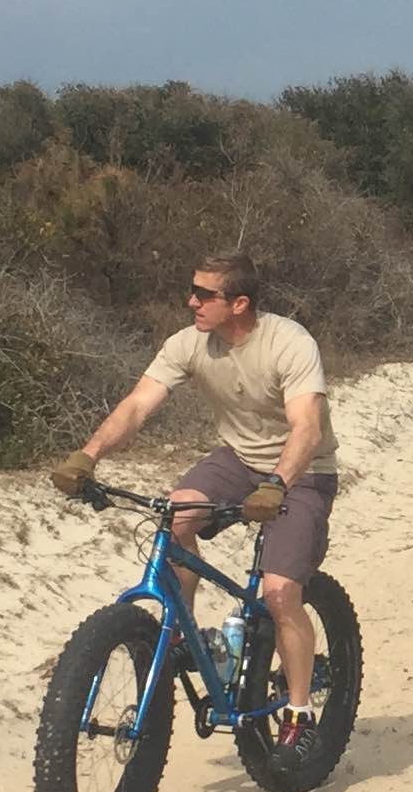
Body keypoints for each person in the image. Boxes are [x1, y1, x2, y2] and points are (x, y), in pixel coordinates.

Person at [49, 257, 337, 750]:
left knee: (280, 591)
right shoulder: (188, 344)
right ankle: (183, 632)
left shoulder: (289, 342)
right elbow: (138, 404)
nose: (192, 302)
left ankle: (299, 711)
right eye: (193, 292)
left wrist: (278, 483)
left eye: (204, 295)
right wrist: (88, 454)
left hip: (303, 470)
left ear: (239, 304)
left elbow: (306, 428)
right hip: (238, 459)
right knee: (177, 512)